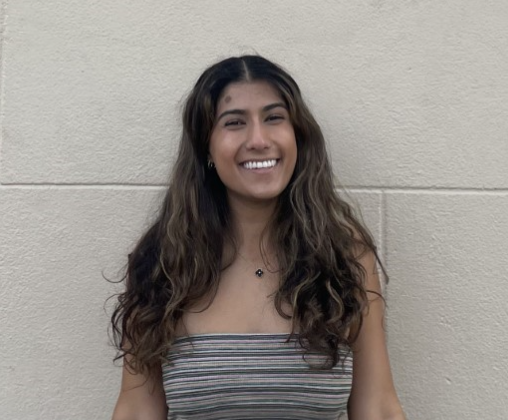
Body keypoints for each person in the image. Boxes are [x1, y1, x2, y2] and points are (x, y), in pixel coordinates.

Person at [110, 55, 405, 420]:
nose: (259, 139)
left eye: (273, 118)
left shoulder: (345, 258)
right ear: (207, 148)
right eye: (234, 122)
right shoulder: (162, 263)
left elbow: (377, 407)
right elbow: (137, 410)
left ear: (297, 135)